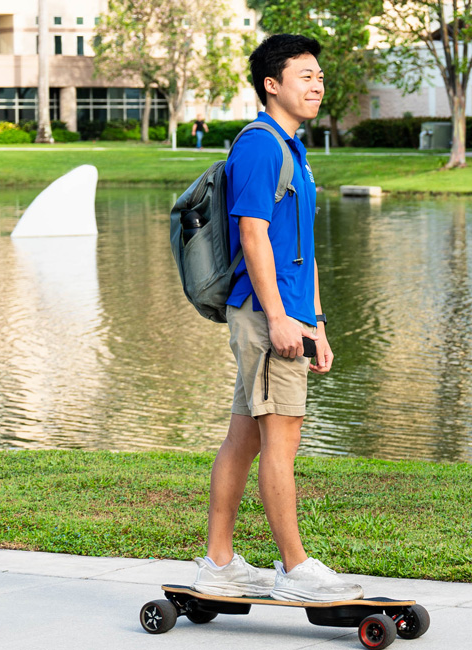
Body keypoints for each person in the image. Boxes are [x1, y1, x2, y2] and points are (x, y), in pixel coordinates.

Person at [191, 33, 359, 604]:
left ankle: (219, 564)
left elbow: (301, 248)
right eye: (305, 76)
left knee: (244, 440)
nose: (317, 85)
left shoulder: (293, 150)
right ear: (272, 84)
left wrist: (317, 323)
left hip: (288, 314)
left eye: (319, 76)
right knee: (282, 441)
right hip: (268, 317)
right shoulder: (261, 146)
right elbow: (253, 235)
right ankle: (295, 569)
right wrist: (280, 318)